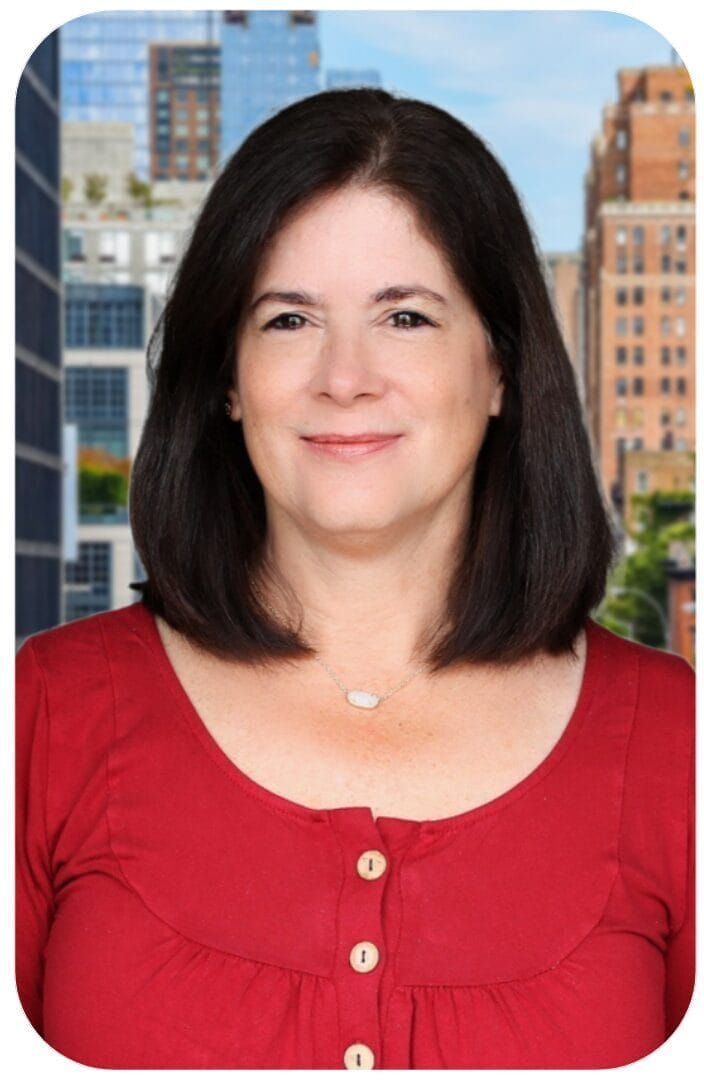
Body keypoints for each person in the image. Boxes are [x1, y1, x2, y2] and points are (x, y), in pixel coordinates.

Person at [16, 88, 694, 1070]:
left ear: (499, 368)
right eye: (289, 319)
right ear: (227, 378)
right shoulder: (42, 714)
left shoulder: (678, 743)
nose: (344, 376)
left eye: (405, 318)